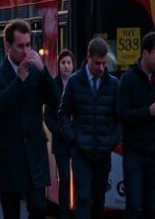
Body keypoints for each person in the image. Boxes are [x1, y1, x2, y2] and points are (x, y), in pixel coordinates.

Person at [0, 19, 58, 219]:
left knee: (39, 208)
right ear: (8, 46)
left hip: (34, 153)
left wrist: (44, 72)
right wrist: (19, 80)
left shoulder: (37, 73)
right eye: (20, 46)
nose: (26, 51)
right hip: (9, 154)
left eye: (28, 45)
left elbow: (57, 101)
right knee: (11, 212)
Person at [58, 38, 120, 219]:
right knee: (83, 198)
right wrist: (74, 139)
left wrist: (111, 141)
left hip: (103, 152)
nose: (101, 68)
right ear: (88, 58)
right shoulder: (74, 81)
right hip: (81, 152)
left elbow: (119, 119)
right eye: (97, 63)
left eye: (104, 63)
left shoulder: (114, 84)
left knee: (99, 200)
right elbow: (63, 114)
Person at [117, 31, 155, 219]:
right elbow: (122, 115)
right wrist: (148, 112)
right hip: (134, 154)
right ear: (145, 53)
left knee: (152, 207)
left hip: (153, 152)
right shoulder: (128, 79)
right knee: (134, 205)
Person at [44, 49, 75, 219]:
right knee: (64, 177)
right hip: (61, 142)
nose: (66, 66)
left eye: (69, 63)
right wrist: (58, 130)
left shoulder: (78, 83)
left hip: (77, 140)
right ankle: (64, 212)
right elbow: (47, 116)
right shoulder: (54, 85)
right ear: (59, 65)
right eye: (63, 63)